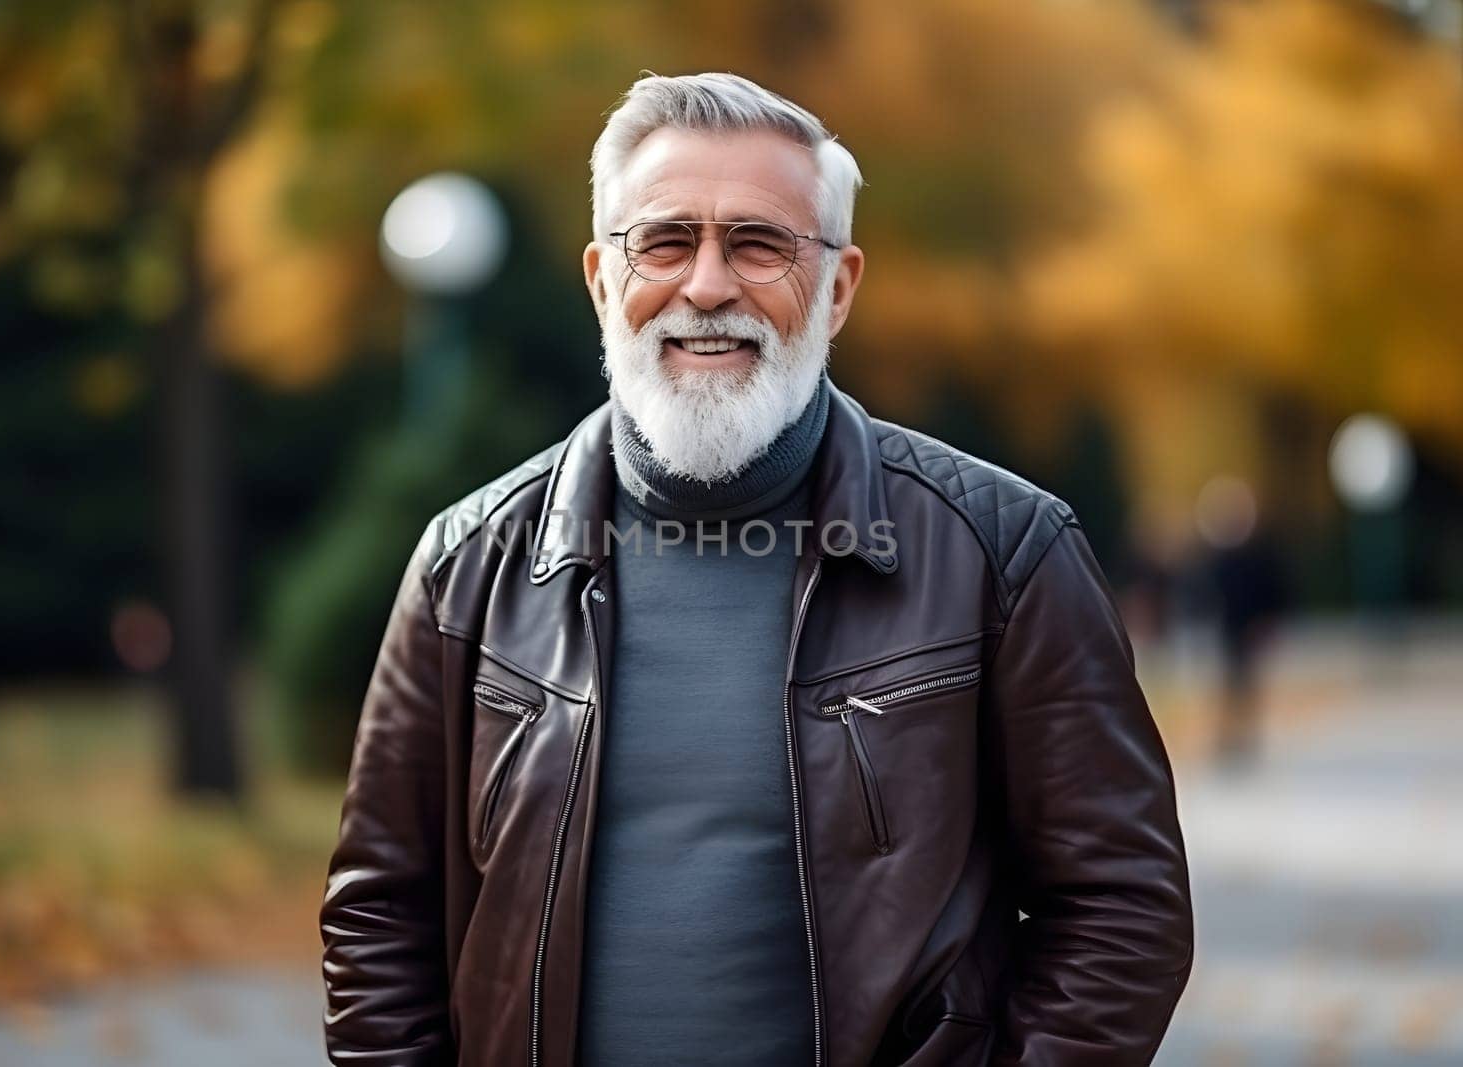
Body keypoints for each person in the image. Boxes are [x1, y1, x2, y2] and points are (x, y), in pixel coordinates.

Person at [320, 72, 1194, 1067]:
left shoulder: (1004, 550)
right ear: (603, 279)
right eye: (663, 241)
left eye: (757, 243)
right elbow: (379, 917)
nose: (705, 286)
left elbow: (1120, 902)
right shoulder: (464, 566)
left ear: (837, 287)